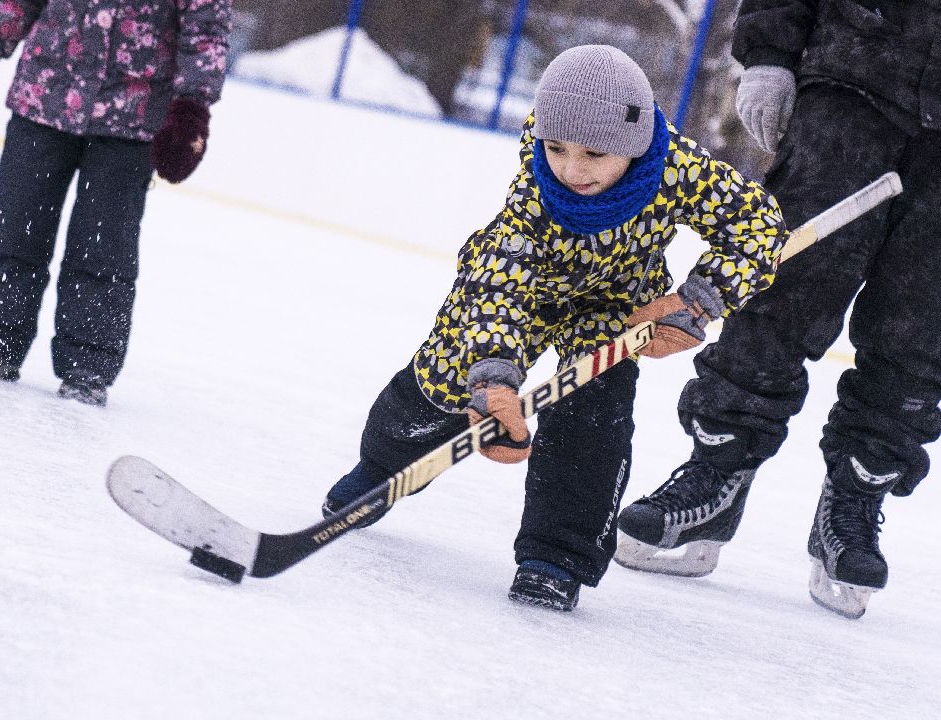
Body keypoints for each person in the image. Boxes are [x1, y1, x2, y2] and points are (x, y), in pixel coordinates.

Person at [321, 45, 787, 611]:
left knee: (592, 413)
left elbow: (757, 222)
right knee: (445, 375)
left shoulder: (678, 170)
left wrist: (700, 299)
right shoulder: (536, 194)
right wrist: (494, 379)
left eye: (594, 153)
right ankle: (380, 467)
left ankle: (557, 554)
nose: (571, 169)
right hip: (522, 287)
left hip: (617, 304)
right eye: (557, 147)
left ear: (636, 145)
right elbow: (501, 290)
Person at [615, 0, 941, 619]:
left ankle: (855, 500)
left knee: (922, 329)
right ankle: (717, 474)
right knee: (782, 288)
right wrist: (770, 54)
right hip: (856, 75)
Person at [0, 0, 232, 406]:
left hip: (133, 114)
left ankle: (87, 365)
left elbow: (205, 29)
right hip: (45, 92)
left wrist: (192, 111)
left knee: (104, 244)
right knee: (14, 225)